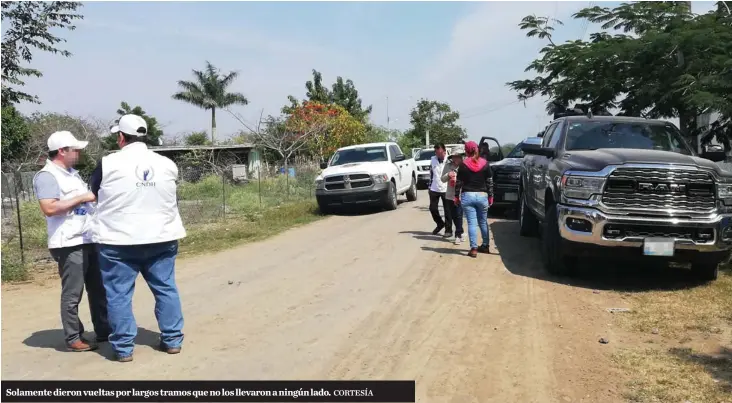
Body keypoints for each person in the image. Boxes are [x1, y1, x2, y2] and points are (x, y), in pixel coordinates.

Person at [90, 114, 187, 362]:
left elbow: (94, 192)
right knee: (165, 288)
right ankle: (173, 340)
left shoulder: (108, 163)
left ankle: (123, 348)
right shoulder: (167, 164)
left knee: (118, 294)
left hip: (118, 241)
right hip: (161, 238)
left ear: (121, 137)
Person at [32, 131, 110, 352]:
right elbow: (49, 208)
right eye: (75, 149)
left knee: (98, 289)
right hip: (69, 243)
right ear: (62, 151)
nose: (78, 153)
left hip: (88, 238)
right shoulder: (47, 176)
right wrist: (82, 197)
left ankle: (104, 330)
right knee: (73, 292)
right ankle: (74, 337)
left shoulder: (72, 174)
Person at [455, 140, 494, 258]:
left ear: (466, 151)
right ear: (477, 149)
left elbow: (458, 183)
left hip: (468, 196)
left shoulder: (463, 165)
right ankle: (486, 246)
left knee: (472, 222)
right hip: (482, 196)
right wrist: (491, 196)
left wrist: (456, 196)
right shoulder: (485, 163)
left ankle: (474, 249)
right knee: (483, 221)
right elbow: (490, 182)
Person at [441, 145, 465, 245]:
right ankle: (461, 231)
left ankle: (458, 235)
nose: (456, 158)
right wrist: (448, 175)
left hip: (460, 195)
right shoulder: (448, 166)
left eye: (458, 156)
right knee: (454, 215)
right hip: (450, 195)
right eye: (454, 156)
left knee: (459, 215)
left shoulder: (465, 166)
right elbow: (442, 179)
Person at [428, 143, 452, 237]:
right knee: (432, 208)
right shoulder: (433, 159)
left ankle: (448, 230)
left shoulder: (450, 160)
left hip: (446, 188)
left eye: (440, 153)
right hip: (434, 187)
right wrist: (429, 187)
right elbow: (431, 174)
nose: (438, 155)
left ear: (444, 151)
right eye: (436, 153)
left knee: (447, 210)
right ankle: (440, 223)